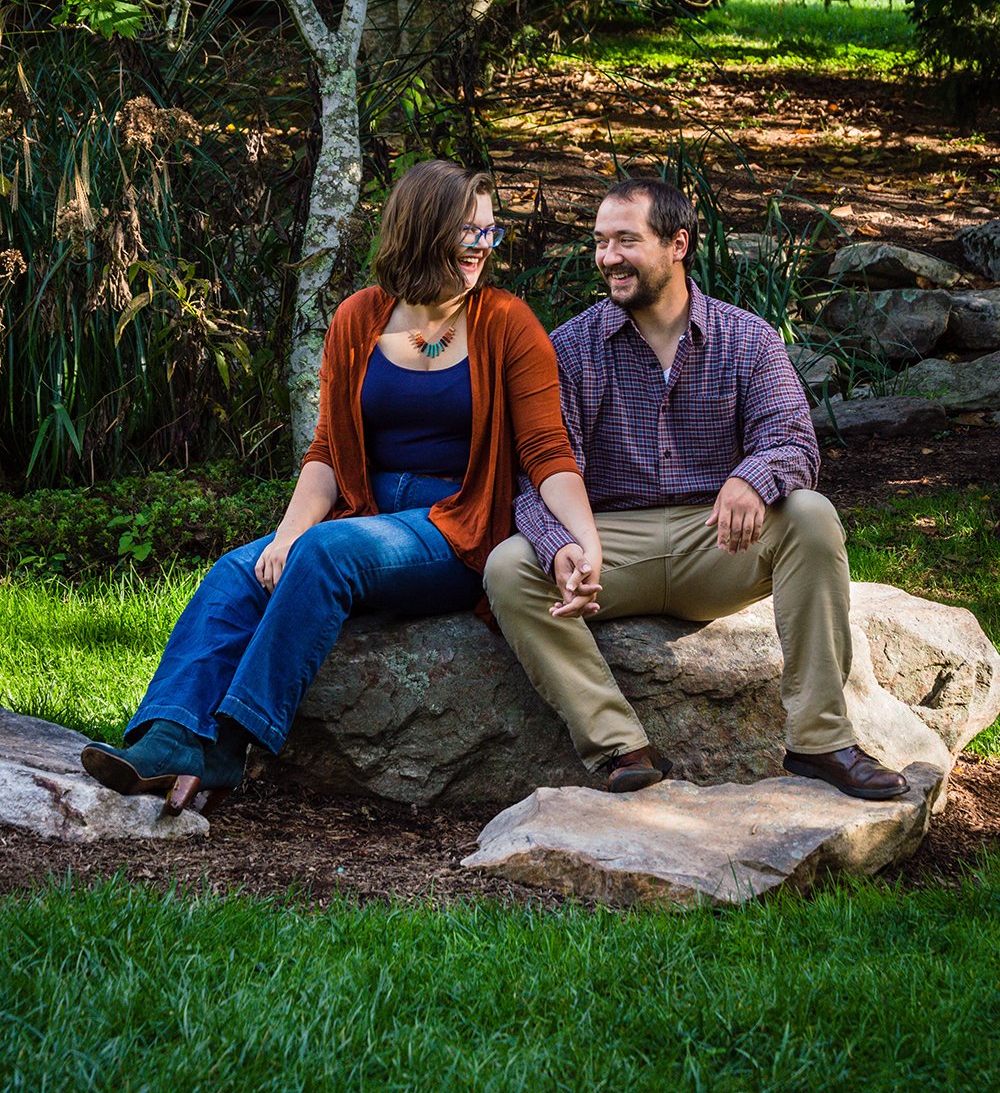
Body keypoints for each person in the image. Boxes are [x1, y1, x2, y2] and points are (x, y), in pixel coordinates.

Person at [82, 161, 600, 814]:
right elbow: (327, 451)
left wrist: (584, 541)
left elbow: (546, 450)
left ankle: (229, 743)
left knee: (327, 555)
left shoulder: (507, 324)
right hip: (366, 513)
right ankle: (168, 737)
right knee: (235, 573)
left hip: (454, 525)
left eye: (489, 233)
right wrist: (288, 533)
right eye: (467, 230)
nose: (480, 248)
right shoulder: (360, 318)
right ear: (421, 230)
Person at [484, 177, 909, 801]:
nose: (607, 258)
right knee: (509, 564)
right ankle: (620, 744)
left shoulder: (748, 338)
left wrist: (752, 478)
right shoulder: (570, 348)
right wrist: (560, 546)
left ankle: (820, 742)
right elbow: (538, 472)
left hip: (718, 543)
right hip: (609, 550)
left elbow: (794, 442)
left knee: (811, 516)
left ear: (677, 244)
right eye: (601, 243)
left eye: (626, 240)